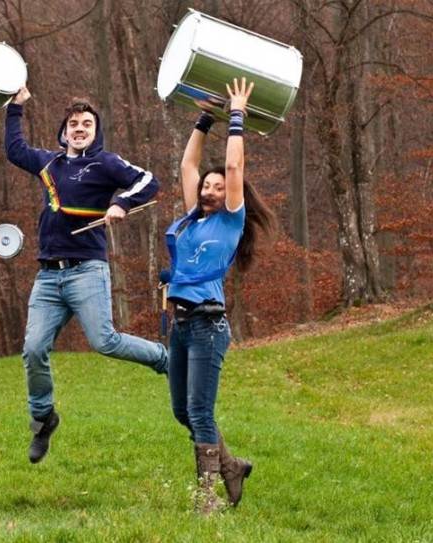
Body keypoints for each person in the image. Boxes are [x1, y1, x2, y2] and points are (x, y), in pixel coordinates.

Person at [4, 86, 168, 464]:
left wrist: (121, 203)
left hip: (87, 271)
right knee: (33, 349)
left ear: (96, 131)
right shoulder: (48, 163)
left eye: (87, 124)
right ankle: (43, 418)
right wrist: (16, 106)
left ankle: (164, 359)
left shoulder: (105, 163)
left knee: (104, 341)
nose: (79, 129)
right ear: (64, 132)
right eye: (74, 124)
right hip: (48, 276)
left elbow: (149, 181)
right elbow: (14, 150)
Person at [163, 78, 275, 513]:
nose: (209, 190)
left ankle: (206, 497)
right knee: (182, 411)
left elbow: (233, 168)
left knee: (200, 412)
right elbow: (187, 165)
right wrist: (205, 118)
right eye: (205, 186)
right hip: (181, 326)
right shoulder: (191, 219)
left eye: (216, 187)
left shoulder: (230, 220)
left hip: (208, 325)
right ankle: (231, 466)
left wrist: (237, 115)